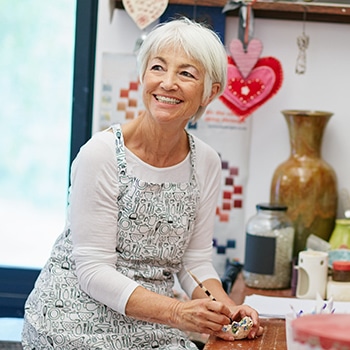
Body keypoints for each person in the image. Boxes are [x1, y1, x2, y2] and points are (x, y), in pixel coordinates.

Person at [22, 17, 263, 349]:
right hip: (74, 320)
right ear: (142, 76)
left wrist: (227, 310)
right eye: (158, 68)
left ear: (211, 91)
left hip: (154, 322)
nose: (167, 83)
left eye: (187, 73)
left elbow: (195, 262)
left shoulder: (205, 162)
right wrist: (179, 313)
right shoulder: (101, 154)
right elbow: (93, 271)